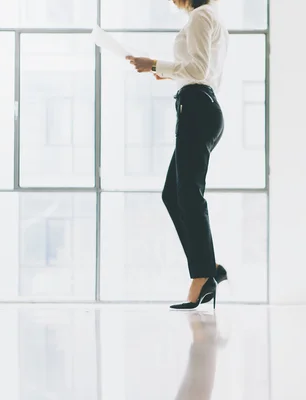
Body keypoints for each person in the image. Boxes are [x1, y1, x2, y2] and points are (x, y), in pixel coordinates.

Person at [126, 0, 229, 310]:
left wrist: (155, 64)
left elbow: (198, 70)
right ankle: (208, 270)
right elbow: (199, 70)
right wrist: (168, 73)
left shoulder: (201, 16)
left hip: (197, 107)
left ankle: (202, 276)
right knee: (174, 194)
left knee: (187, 194)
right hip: (200, 105)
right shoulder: (208, 17)